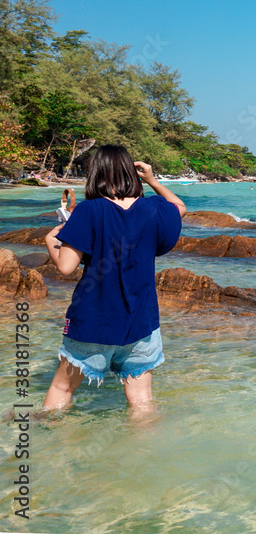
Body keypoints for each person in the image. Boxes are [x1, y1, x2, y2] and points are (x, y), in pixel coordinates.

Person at [41, 145, 186, 417]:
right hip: (142, 321)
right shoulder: (154, 208)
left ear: (95, 173)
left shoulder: (89, 210)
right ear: (132, 172)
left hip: (95, 320)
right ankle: (141, 455)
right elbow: (180, 207)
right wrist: (152, 181)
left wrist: (51, 242)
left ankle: (54, 453)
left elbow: (66, 267)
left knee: (63, 389)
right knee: (142, 401)